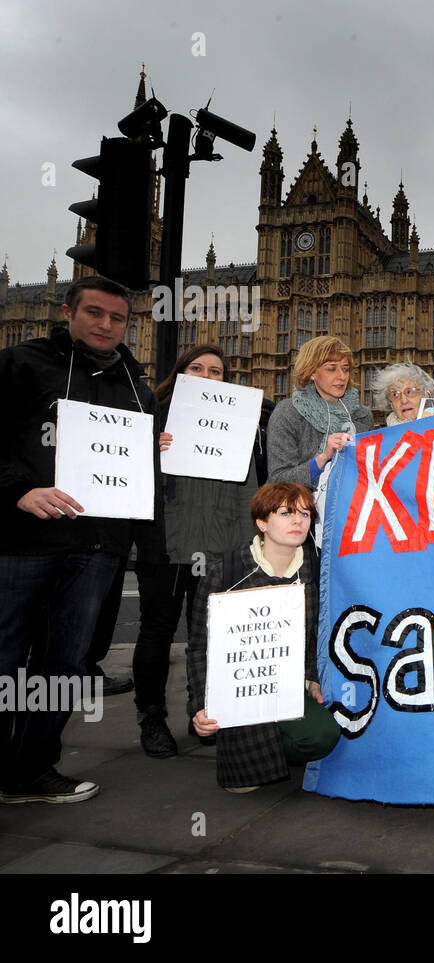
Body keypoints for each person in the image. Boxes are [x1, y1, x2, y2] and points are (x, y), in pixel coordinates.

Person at [0, 277, 155, 804]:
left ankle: (29, 772)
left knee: (63, 665)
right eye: (95, 313)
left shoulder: (136, 384)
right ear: (67, 312)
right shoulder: (24, 362)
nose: (107, 325)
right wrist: (18, 491)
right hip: (24, 543)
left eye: (118, 318)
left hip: (96, 547)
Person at [131, 345, 258, 759]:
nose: (207, 376)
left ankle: (200, 711)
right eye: (197, 368)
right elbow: (120, 474)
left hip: (219, 540)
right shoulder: (152, 414)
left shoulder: (239, 418)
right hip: (167, 540)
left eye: (216, 371)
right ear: (180, 372)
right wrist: (150, 448)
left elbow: (249, 486)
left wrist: (248, 544)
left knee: (210, 635)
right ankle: (151, 718)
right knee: (157, 631)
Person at [188, 482, 340, 791]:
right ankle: (249, 747)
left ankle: (285, 742)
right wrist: (200, 707)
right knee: (243, 781)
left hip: (291, 684)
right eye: (286, 513)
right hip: (243, 688)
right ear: (262, 522)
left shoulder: (319, 568)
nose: (298, 521)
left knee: (322, 736)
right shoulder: (225, 572)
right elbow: (200, 648)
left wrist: (313, 677)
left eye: (305, 513)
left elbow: (318, 633)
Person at [267, 336, 373, 486]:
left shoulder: (361, 416)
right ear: (312, 373)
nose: (342, 376)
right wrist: (323, 458)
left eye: (345, 369)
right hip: (302, 506)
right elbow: (278, 479)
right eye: (332, 369)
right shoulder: (288, 413)